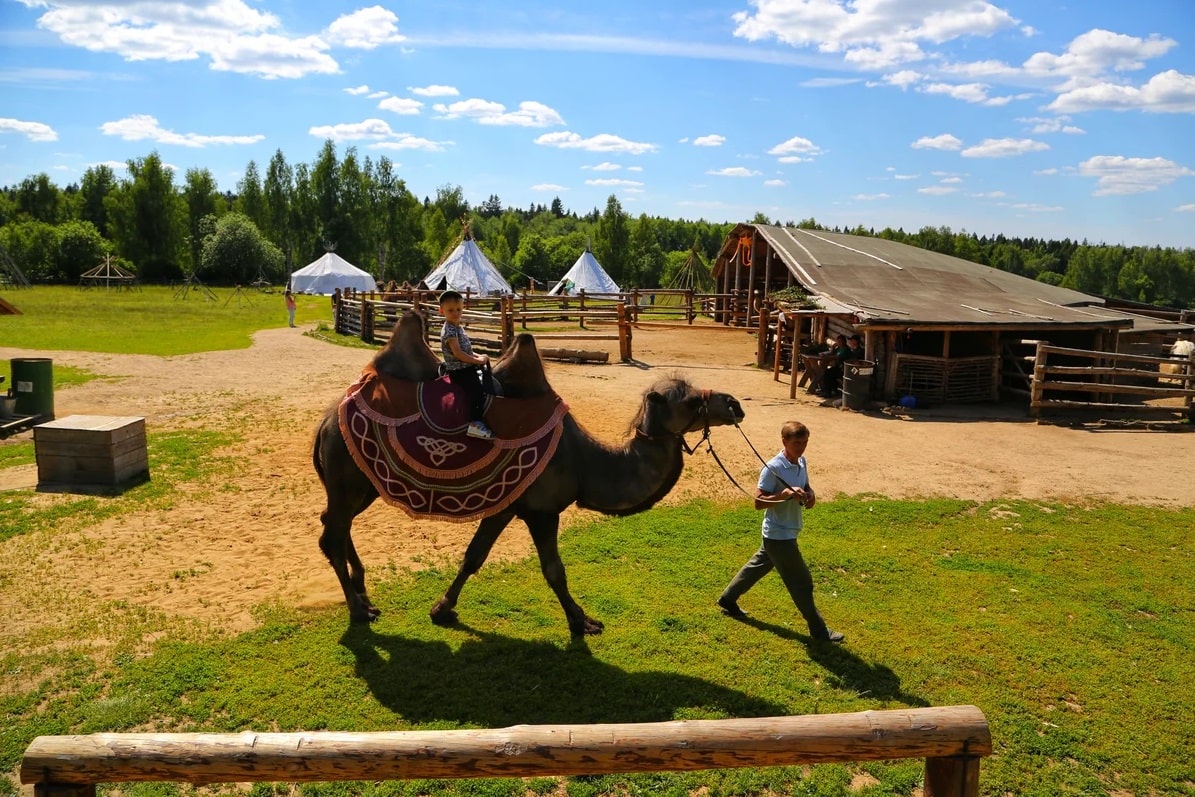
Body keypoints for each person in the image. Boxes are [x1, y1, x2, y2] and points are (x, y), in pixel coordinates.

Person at [717, 420, 844, 644]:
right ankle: (819, 631)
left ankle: (728, 599)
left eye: (805, 442)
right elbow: (758, 502)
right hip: (779, 535)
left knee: (756, 567)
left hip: (785, 532)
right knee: (802, 583)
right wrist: (785, 493)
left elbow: (805, 486)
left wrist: (809, 494)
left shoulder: (801, 461)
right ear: (784, 441)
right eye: (797, 443)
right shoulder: (772, 468)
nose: (802, 447)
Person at [438, 290, 495, 440]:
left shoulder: (457, 327)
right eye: (450, 310)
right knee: (476, 391)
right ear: (441, 311)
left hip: (466, 366)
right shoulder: (450, 330)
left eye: (459, 309)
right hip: (459, 370)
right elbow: (459, 354)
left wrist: (479, 356)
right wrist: (477, 361)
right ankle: (475, 424)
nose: (456, 313)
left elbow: (467, 351)